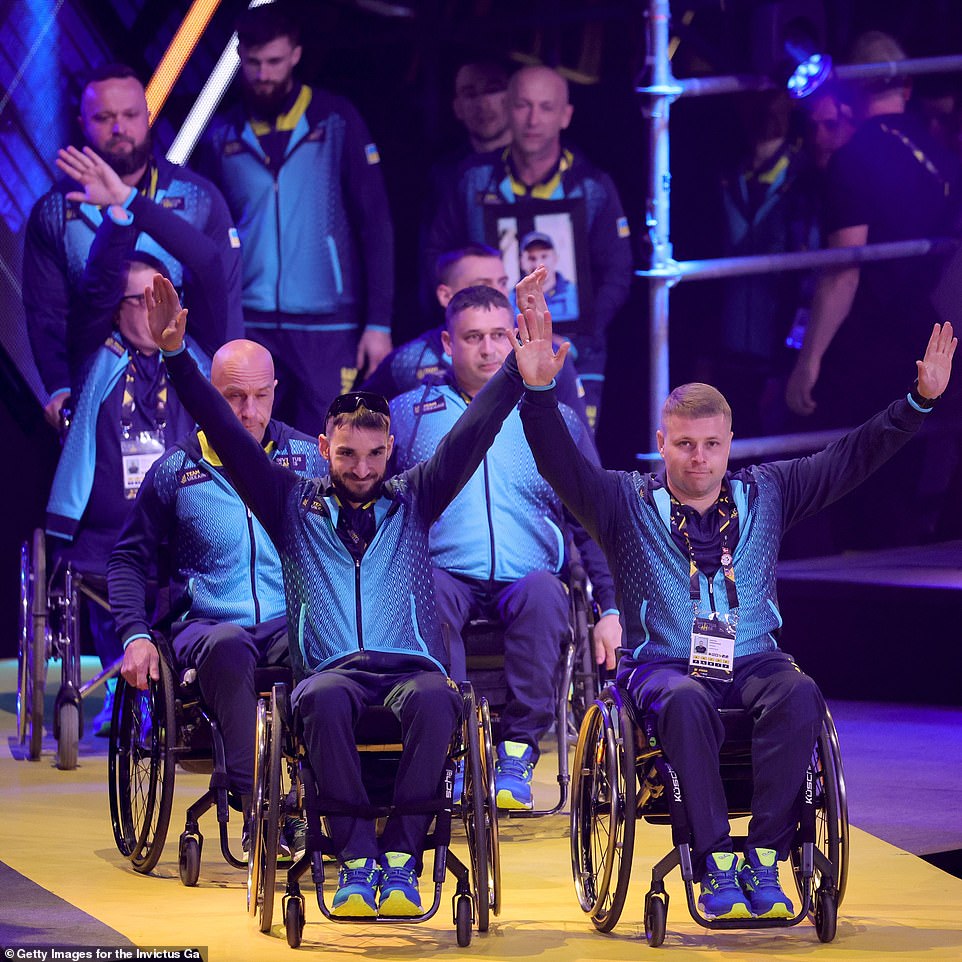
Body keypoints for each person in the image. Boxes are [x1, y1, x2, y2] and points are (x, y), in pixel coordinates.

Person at [516, 266, 955, 920]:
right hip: (662, 666)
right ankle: (714, 859)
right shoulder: (620, 500)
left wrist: (915, 404)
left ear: (729, 444)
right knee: (688, 699)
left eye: (712, 445)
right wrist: (539, 392)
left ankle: (765, 857)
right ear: (662, 443)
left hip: (752, 658)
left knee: (800, 689)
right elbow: (559, 463)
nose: (699, 458)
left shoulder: (766, 492)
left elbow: (849, 459)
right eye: (685, 445)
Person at [140, 270, 559, 917]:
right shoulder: (289, 505)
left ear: (391, 449)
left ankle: (400, 858)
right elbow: (226, 436)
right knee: (325, 701)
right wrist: (175, 357)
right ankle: (357, 858)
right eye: (346, 455)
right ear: (323, 451)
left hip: (406, 672)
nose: (361, 469)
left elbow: (470, 433)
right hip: (331, 675)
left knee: (437, 699)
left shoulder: (415, 498)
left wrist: (514, 373)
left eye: (372, 454)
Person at [388, 285, 621, 809]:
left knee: (545, 595)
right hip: (443, 571)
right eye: (474, 337)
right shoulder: (408, 414)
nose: (489, 349)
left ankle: (517, 752)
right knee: (427, 596)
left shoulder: (551, 415)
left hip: (529, 575)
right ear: (448, 343)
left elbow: (592, 517)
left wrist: (611, 608)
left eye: (499, 335)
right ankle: (452, 748)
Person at [108, 338, 324, 824]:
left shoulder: (311, 460)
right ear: (208, 394)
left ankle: (333, 801)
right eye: (233, 397)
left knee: (328, 638)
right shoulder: (175, 472)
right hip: (205, 626)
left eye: (260, 396)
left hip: (285, 622)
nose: (248, 412)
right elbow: (126, 560)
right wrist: (135, 635)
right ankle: (258, 810)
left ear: (275, 391)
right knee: (228, 643)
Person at [194, 1, 394, 434]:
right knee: (246, 440)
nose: (263, 74)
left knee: (328, 444)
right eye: (253, 63)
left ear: (296, 55)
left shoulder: (336, 119)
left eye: (274, 61)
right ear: (239, 58)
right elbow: (205, 236)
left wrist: (378, 322)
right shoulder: (221, 133)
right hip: (249, 316)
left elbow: (375, 221)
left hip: (329, 320)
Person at [23, 62, 243, 429]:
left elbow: (225, 293)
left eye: (130, 114)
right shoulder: (54, 211)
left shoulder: (197, 197)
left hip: (186, 384)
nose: (119, 128)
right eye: (104, 117)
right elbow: (46, 312)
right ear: (82, 122)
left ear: (148, 115)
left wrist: (233, 382)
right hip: (97, 387)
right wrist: (58, 385)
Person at [427, 64, 633, 428]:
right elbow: (436, 254)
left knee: (574, 461)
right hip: (491, 350)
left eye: (546, 107)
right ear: (507, 108)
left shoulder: (593, 187)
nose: (533, 119)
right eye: (523, 105)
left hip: (577, 351)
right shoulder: (472, 179)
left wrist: (579, 330)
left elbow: (617, 272)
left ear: (565, 115)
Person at [362, 242, 590, 426]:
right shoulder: (408, 362)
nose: (498, 293)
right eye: (483, 284)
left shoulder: (545, 356)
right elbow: (357, 426)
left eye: (502, 283)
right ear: (444, 295)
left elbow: (582, 449)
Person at [516, 230, 578, 321]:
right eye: (531, 258)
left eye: (544, 256)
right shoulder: (511, 299)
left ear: (555, 258)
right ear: (522, 263)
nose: (538, 264)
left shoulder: (574, 294)